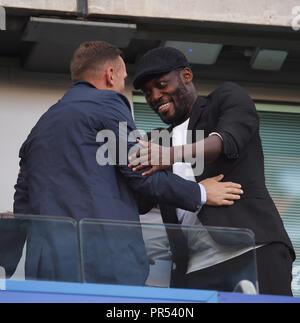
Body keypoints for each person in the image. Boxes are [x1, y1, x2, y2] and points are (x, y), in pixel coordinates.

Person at [9, 41, 243, 285]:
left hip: (46, 271)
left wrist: (9, 261)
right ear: (110, 75)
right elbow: (139, 170)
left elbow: (23, 204)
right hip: (105, 266)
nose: (122, 87)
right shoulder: (107, 104)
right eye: (123, 79)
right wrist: (201, 192)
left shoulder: (41, 127)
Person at [130, 46, 295, 296]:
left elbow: (227, 140)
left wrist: (171, 155)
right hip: (194, 269)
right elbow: (140, 197)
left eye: (161, 84)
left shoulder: (225, 99)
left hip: (252, 248)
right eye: (147, 92)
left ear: (186, 76)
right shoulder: (156, 140)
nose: (155, 96)